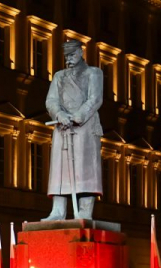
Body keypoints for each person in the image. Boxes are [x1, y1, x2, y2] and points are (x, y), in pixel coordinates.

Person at [43, 39, 103, 221]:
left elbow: (95, 98)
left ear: (80, 53)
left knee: (86, 169)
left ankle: (85, 211)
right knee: (60, 170)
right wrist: (59, 114)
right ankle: (58, 210)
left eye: (71, 55)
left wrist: (79, 115)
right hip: (62, 127)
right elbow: (51, 100)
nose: (68, 59)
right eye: (66, 56)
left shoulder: (93, 73)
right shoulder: (59, 76)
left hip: (84, 128)